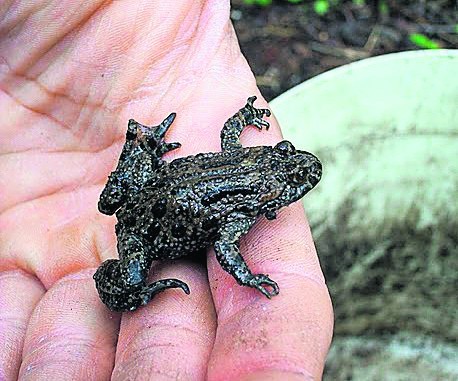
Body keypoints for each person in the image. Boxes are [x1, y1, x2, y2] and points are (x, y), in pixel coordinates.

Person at [0, 1, 333, 379]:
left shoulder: (241, 175)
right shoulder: (242, 207)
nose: (299, 174)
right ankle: (128, 284)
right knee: (130, 280)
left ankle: (144, 145)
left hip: (153, 189)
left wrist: (245, 116)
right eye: (287, 175)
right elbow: (225, 245)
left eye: (288, 177)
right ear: (267, 186)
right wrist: (247, 277)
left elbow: (229, 138)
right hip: (139, 235)